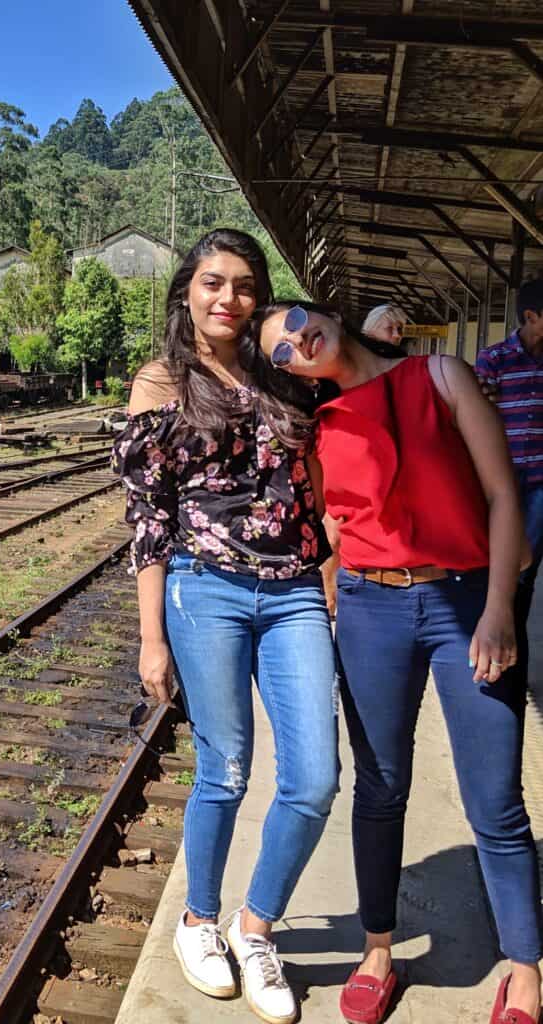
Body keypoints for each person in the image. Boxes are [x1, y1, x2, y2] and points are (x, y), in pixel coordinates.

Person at [251, 300, 542, 1024]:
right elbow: (329, 522)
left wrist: (500, 609)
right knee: (378, 788)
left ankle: (524, 967)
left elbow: (504, 493)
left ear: (319, 314)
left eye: (291, 322)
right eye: (279, 353)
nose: (294, 342)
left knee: (494, 799)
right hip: (371, 611)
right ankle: (376, 949)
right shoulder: (317, 425)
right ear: (287, 374)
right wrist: (329, 597)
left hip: (466, 596)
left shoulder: (441, 375)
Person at [111, 230, 339, 1024]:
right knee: (227, 768)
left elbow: (318, 485)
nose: (227, 299)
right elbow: (148, 518)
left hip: (293, 592)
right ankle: (198, 921)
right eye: (213, 283)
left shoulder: (282, 374)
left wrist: (335, 576)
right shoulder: (159, 381)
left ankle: (255, 928)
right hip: (202, 590)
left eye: (244, 286)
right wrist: (150, 638)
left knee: (313, 779)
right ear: (186, 290)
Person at [475, 277, 543, 695]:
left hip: (542, 483)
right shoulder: (494, 358)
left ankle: (507, 656)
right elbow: (478, 418)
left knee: (524, 577)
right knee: (510, 574)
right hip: (506, 484)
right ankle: (501, 656)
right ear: (532, 317)